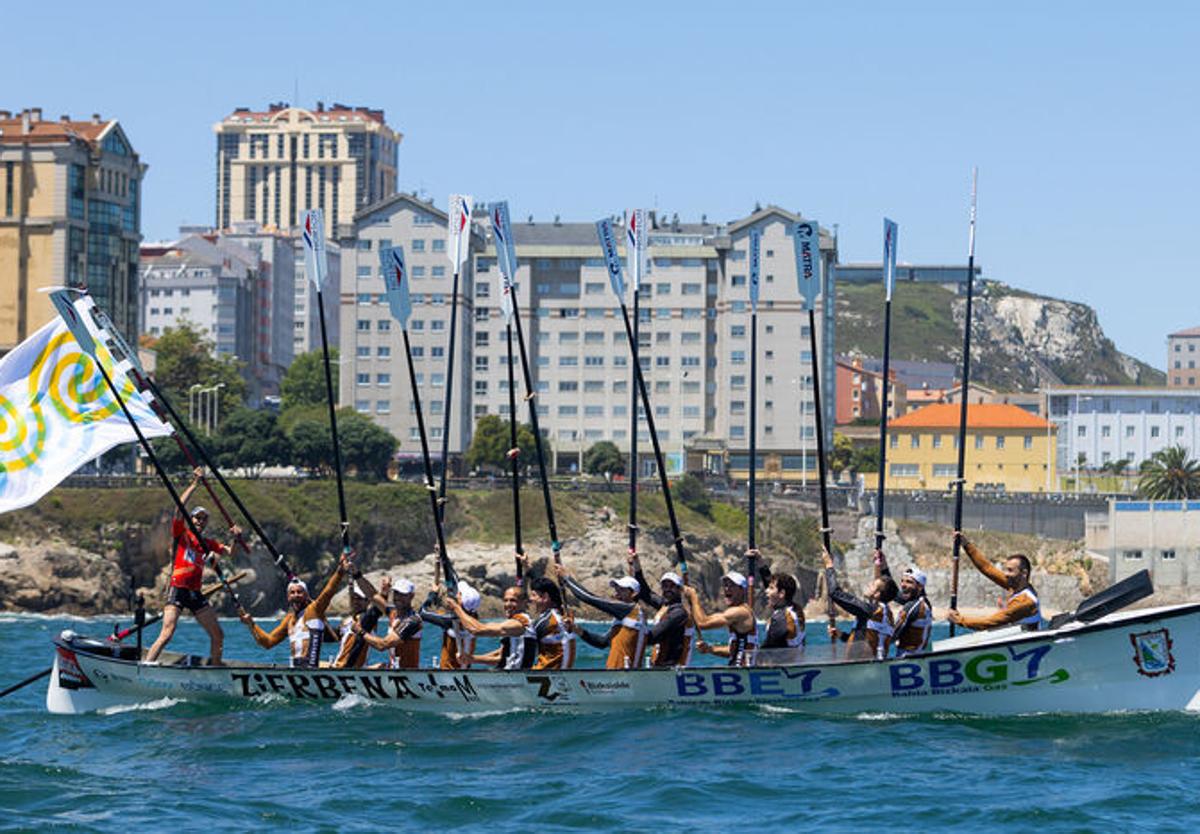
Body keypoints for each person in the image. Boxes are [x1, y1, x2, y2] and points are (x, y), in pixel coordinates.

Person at [145, 467, 241, 665]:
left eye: (204, 518)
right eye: (197, 517)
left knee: (218, 634)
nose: (200, 521)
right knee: (167, 633)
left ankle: (216, 669)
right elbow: (179, 509)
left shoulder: (208, 543)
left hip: (195, 592)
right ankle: (146, 665)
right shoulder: (182, 534)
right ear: (192, 520)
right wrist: (195, 484)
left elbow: (231, 553)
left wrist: (237, 538)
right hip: (177, 588)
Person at [238, 552, 351, 667]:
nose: (296, 595)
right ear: (288, 597)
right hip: (295, 671)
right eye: (292, 592)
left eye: (299, 592)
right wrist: (251, 624)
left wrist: (340, 571)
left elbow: (328, 592)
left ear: (306, 595)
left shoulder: (314, 610)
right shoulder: (289, 620)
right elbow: (268, 642)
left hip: (311, 670)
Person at [555, 563, 648, 670]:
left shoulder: (629, 609)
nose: (617, 594)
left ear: (634, 594)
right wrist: (577, 629)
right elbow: (602, 642)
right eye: (616, 590)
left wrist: (567, 579)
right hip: (619, 675)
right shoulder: (627, 619)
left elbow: (589, 598)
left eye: (622, 590)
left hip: (626, 676)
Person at [947, 532, 1042, 631]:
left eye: (1010, 570)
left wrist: (960, 620)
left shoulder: (1025, 601)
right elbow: (986, 568)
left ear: (1024, 573)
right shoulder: (1016, 586)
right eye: (1005, 570)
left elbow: (990, 622)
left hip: (1026, 645)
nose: (1005, 574)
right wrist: (966, 544)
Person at [823, 548, 897, 661]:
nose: (869, 585)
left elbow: (835, 593)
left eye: (872, 585)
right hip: (873, 666)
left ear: (877, 595)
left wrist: (829, 566)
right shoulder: (887, 615)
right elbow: (863, 642)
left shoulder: (870, 611)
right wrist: (841, 635)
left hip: (863, 669)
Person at [445, 585, 538, 669]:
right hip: (504, 676)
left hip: (513, 679)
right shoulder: (511, 625)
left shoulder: (521, 622)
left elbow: (477, 629)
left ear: (525, 602)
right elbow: (500, 657)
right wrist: (471, 659)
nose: (508, 604)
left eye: (513, 600)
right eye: (505, 600)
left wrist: (456, 608)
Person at [629, 554, 694, 667]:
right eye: (665, 586)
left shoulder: (679, 613)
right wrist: (636, 565)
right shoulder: (665, 605)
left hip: (672, 669)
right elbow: (646, 593)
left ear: (679, 589)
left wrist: (630, 635)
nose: (668, 589)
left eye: (672, 586)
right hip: (660, 666)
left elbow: (653, 637)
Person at [684, 571, 758, 667]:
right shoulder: (737, 613)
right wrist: (710, 649)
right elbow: (733, 650)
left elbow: (702, 623)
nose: (727, 589)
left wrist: (693, 597)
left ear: (741, 590)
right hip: (737, 669)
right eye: (725, 585)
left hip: (744, 671)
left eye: (731, 585)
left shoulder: (740, 612)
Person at [353, 578, 424, 669]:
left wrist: (360, 632)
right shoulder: (393, 613)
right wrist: (357, 574)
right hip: (393, 669)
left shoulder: (413, 621)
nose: (398, 597)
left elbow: (382, 645)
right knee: (375, 667)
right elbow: (372, 595)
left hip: (407, 674)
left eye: (403, 594)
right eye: (396, 593)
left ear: (411, 596)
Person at [877, 548, 933, 656]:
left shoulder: (912, 607)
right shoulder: (924, 602)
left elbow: (893, 634)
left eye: (909, 582)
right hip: (919, 655)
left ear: (920, 586)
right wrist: (883, 565)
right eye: (902, 581)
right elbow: (893, 593)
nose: (903, 585)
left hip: (907, 658)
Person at [419, 581, 482, 669]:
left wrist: (433, 594)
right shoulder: (474, 620)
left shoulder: (450, 621)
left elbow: (422, 612)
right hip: (466, 672)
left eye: (459, 594)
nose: (456, 595)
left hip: (448, 673)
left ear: (460, 602)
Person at [332, 573, 388, 669]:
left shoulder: (368, 620)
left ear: (368, 602)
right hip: (337, 666)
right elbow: (332, 636)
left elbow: (377, 610)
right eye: (354, 598)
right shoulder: (346, 621)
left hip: (354, 669)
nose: (356, 601)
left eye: (360, 599)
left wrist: (384, 593)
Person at [756, 572, 805, 665]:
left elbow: (769, 648)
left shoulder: (781, 618)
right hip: (796, 666)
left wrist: (753, 657)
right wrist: (761, 566)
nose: (766, 591)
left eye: (771, 588)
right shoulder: (795, 610)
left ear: (782, 594)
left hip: (785, 671)